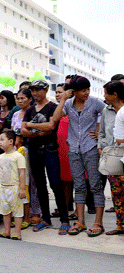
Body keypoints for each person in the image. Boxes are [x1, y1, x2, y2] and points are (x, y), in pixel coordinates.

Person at [53, 76, 106, 237]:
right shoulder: (68, 104)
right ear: (74, 92)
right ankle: (80, 221)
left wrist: (99, 132)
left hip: (91, 148)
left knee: (95, 185)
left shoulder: (95, 102)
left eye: (88, 89)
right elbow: (55, 118)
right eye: (83, 90)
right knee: (79, 185)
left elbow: (109, 114)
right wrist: (63, 99)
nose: (87, 93)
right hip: (74, 149)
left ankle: (98, 222)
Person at [21, 79, 70, 235]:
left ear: (46, 90)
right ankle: (46, 219)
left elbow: (50, 127)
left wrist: (31, 126)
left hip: (50, 150)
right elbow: (22, 131)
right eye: (33, 90)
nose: (35, 93)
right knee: (40, 186)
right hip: (34, 150)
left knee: (56, 185)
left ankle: (64, 220)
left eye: (38, 90)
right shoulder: (30, 110)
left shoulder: (53, 108)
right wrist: (37, 130)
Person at [12, 88, 42, 225]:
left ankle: (36, 212)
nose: (20, 100)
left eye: (23, 98)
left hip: (32, 149)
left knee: (33, 183)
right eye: (18, 98)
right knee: (19, 182)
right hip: (17, 151)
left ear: (30, 99)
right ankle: (21, 212)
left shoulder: (34, 113)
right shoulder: (15, 114)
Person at [99, 80, 124, 235]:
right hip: (113, 157)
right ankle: (120, 225)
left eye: (106, 93)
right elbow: (102, 132)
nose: (104, 96)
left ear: (114, 95)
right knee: (116, 193)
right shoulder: (106, 111)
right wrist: (101, 148)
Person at [0, 129, 27, 240]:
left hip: (14, 187)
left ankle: (17, 233)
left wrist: (22, 188)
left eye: (2, 140)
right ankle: (6, 231)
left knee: (17, 211)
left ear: (11, 141)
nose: (0, 142)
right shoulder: (0, 157)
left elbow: (22, 173)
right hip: (3, 187)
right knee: (5, 211)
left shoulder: (18, 156)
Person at [53, 84, 75, 219]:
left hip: (69, 147)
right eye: (56, 92)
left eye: (60, 92)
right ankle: (63, 207)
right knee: (61, 180)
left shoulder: (72, 108)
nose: (57, 94)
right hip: (57, 148)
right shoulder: (54, 109)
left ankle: (69, 208)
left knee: (70, 180)